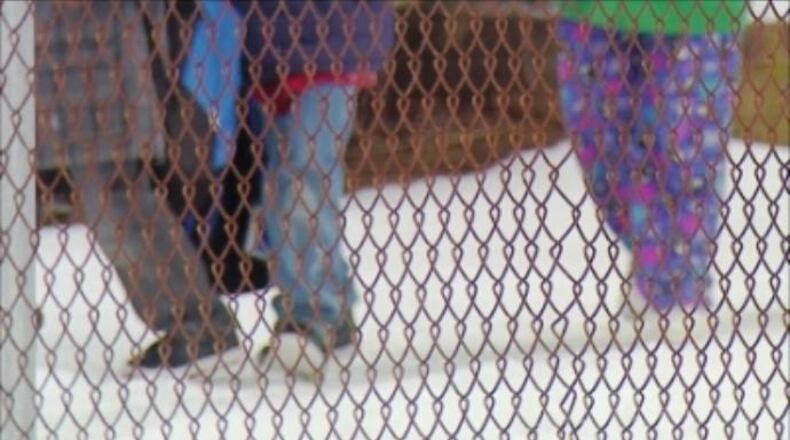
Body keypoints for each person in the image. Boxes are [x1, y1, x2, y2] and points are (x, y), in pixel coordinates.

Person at [226, 0, 396, 376]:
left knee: (306, 177)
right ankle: (332, 300)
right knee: (283, 186)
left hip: (331, 47)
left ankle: (311, 313)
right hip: (264, 52)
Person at [555, 1, 745, 316]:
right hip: (589, 10)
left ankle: (674, 291)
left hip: (697, 12)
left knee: (686, 151)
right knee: (598, 139)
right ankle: (654, 261)